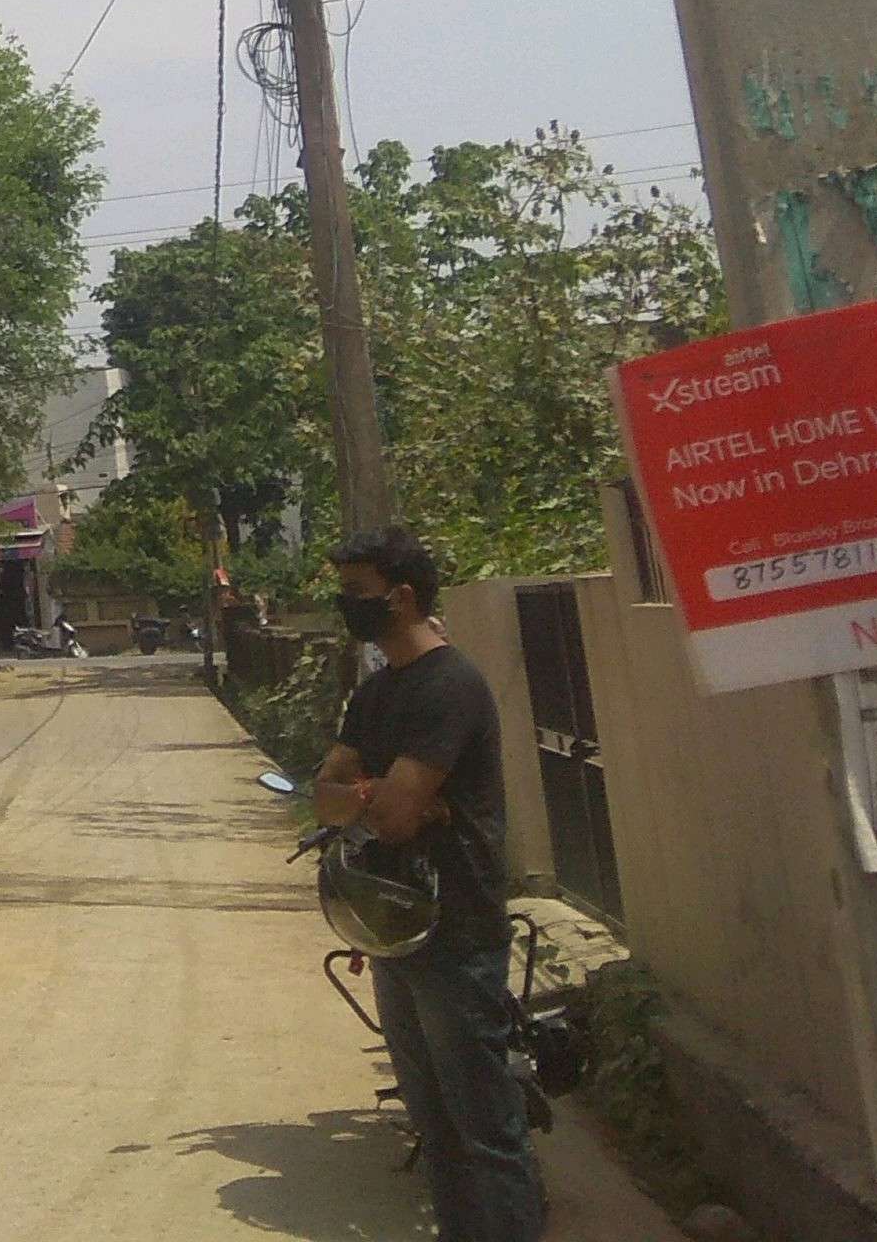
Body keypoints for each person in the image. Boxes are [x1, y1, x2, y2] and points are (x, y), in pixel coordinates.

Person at [313, 526, 544, 1242]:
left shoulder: (451, 687)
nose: (347, 604)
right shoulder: (377, 692)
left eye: (358, 591)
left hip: (456, 933)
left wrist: (372, 798)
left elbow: (393, 820)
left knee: (484, 1128)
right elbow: (324, 794)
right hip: (393, 930)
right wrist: (375, 795)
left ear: (403, 596)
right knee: (435, 1124)